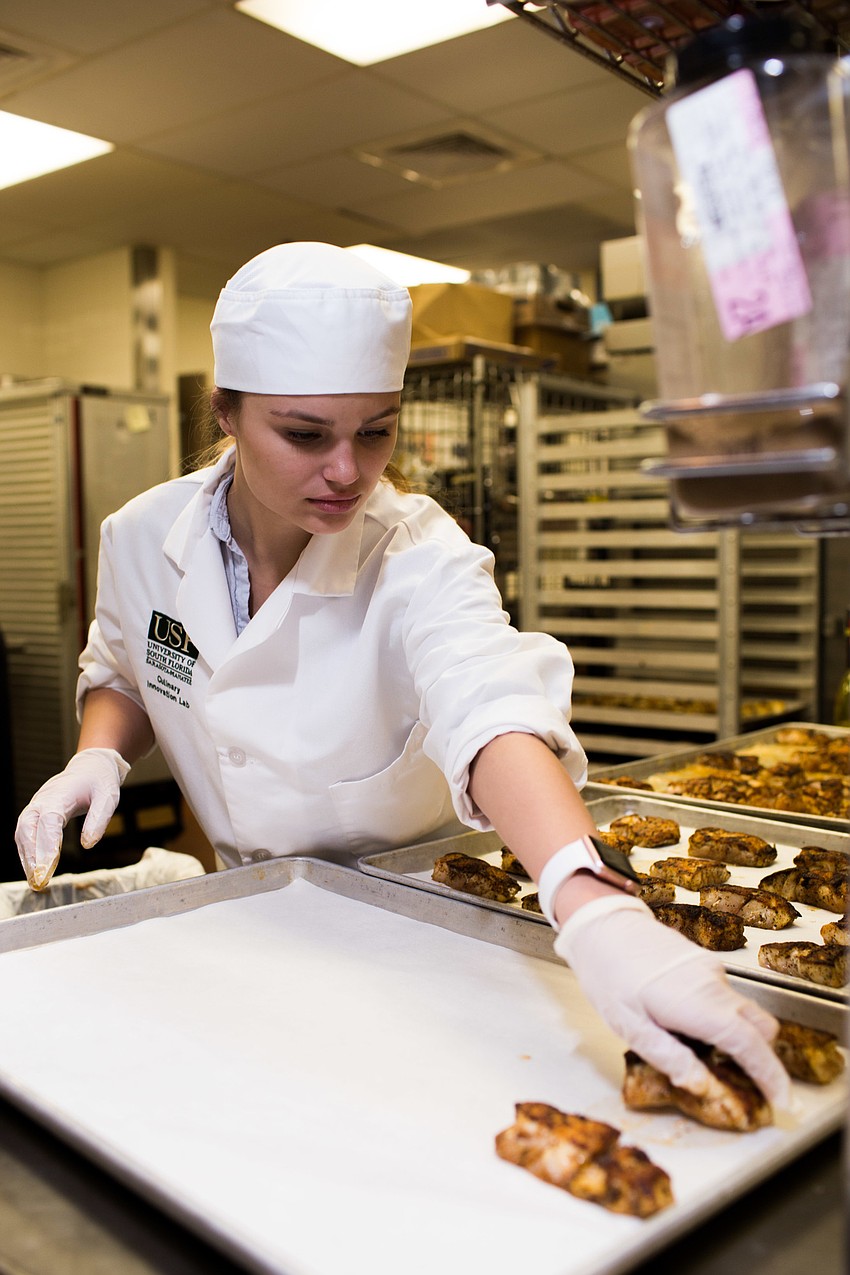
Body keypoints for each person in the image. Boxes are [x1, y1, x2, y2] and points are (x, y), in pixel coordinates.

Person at [15, 242, 790, 1112]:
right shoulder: (138, 535)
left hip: (419, 928)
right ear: (225, 411)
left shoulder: (417, 553)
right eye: (304, 434)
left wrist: (593, 902)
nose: (347, 471)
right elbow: (125, 665)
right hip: (249, 915)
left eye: (375, 430)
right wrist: (101, 754)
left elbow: (489, 704)